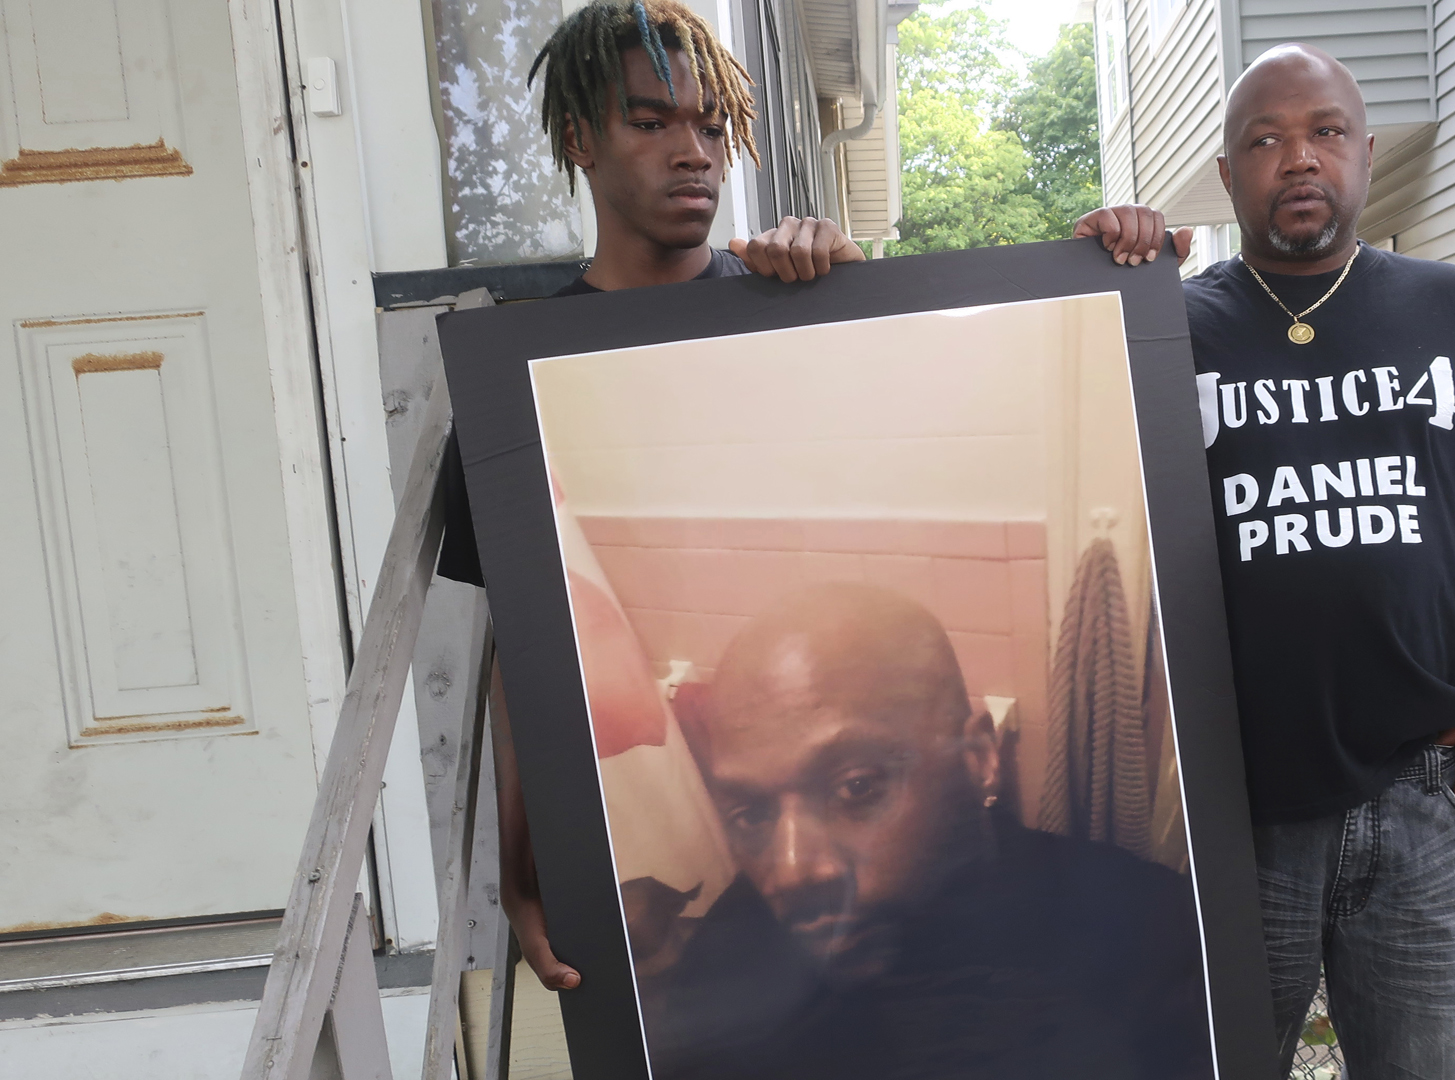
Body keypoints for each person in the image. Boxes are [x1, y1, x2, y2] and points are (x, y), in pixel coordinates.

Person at [442, 0, 1177, 993]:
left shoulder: (791, 302)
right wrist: (524, 876)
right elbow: (517, 667)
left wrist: (1113, 258)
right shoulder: (512, 388)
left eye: (710, 125)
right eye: (650, 122)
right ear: (578, 138)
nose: (692, 152)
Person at [1073, 44, 1455, 1080]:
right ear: (1225, 174)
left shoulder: (1454, 308)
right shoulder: (1169, 326)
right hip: (1229, 813)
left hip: (1423, 803)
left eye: (1325, 132)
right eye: (1264, 140)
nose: (1298, 158)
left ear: (1366, 152)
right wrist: (1095, 278)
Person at [639, 584, 1210, 1080]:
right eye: (753, 815)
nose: (789, 871)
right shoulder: (729, 952)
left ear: (980, 755)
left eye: (856, 787)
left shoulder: (1151, 934)